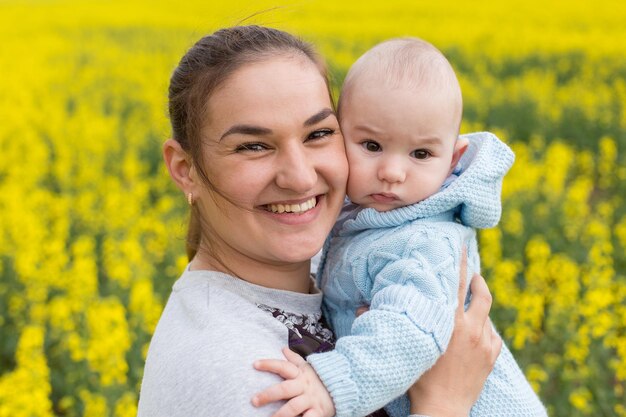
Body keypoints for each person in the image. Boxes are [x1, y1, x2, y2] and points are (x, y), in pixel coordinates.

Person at [136, 26, 502, 417]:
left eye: (319, 133)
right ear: (184, 168)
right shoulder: (245, 376)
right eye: (254, 146)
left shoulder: (337, 259)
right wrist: (444, 403)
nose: (301, 177)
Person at [252, 38, 547, 417]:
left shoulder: (424, 242)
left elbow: (409, 331)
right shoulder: (370, 217)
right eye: (371, 145)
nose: (392, 172)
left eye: (421, 154)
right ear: (338, 136)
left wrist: (331, 385)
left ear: (452, 158)